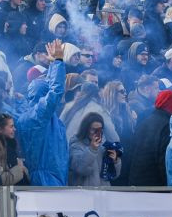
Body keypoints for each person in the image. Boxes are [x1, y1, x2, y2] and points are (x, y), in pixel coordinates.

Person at [17, 39, 69, 186]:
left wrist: (52, 63)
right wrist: (58, 61)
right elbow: (56, 91)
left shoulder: (45, 115)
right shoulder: (38, 114)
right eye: (46, 78)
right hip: (46, 181)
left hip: (54, 177)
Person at [128, 90, 172, 186]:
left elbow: (132, 152)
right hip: (154, 186)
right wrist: (169, 186)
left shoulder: (145, 121)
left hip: (136, 180)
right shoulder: (167, 126)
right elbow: (164, 160)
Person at [69, 112, 122, 186]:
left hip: (103, 194)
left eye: (100, 129)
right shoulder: (76, 145)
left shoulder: (104, 146)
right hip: (85, 194)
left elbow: (114, 176)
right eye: (94, 129)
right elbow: (81, 170)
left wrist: (115, 161)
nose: (97, 133)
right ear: (86, 129)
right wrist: (92, 149)